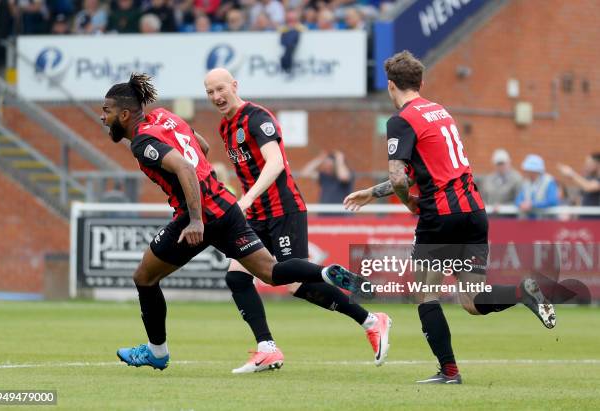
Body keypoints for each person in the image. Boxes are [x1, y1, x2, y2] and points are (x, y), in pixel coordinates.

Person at [101, 73, 369, 371]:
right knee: (271, 272)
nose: (103, 117)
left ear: (124, 114)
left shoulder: (141, 142)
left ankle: (157, 352)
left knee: (144, 278)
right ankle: (327, 273)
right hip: (226, 206)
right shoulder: (165, 116)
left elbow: (186, 169)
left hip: (199, 216)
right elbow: (200, 146)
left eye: (106, 111)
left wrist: (194, 220)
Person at [343, 51, 556, 384]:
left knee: (424, 292)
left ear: (390, 86)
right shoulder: (440, 112)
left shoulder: (401, 120)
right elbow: (426, 168)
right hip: (473, 211)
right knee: (471, 299)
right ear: (421, 82)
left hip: (442, 216)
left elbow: (401, 177)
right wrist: (374, 192)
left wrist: (408, 202)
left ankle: (450, 371)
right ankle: (521, 292)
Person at [204, 68, 391, 373]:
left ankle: (367, 316)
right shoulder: (226, 128)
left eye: (221, 89)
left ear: (234, 85)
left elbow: (276, 162)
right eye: (210, 92)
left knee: (288, 280)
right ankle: (268, 348)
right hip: (256, 216)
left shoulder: (256, 117)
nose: (216, 97)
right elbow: (247, 171)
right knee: (237, 276)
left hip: (283, 209)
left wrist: (247, 198)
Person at [515, 154, 559, 218]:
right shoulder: (526, 183)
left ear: (536, 171)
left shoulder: (549, 181)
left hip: (546, 221)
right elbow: (518, 199)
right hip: (529, 220)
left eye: (529, 170)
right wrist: (520, 204)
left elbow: (552, 201)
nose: (526, 172)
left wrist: (533, 204)